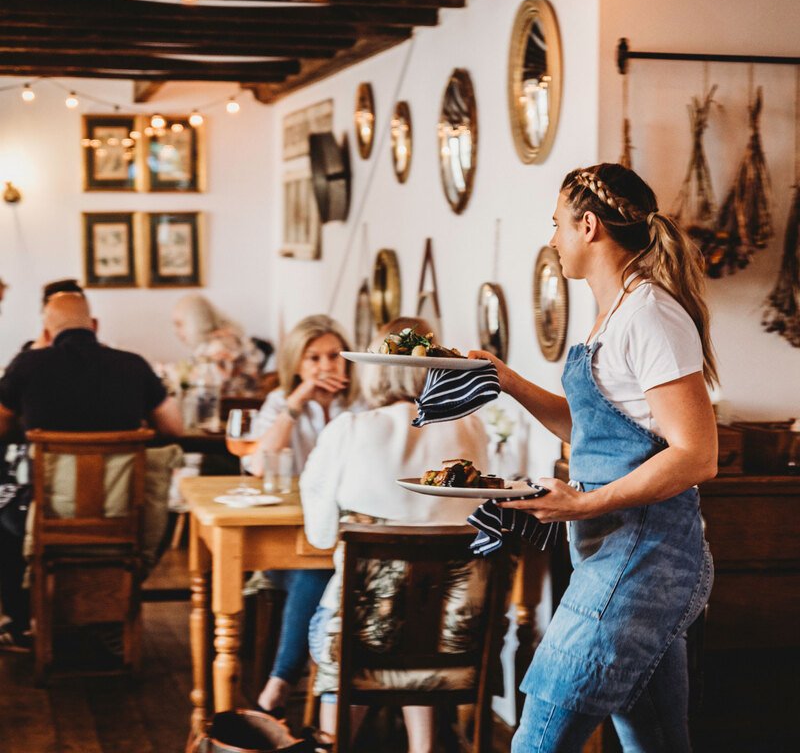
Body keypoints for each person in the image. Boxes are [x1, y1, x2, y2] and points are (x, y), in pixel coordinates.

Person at [470, 164, 717, 752]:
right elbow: (593, 428)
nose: (552, 240)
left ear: (588, 226)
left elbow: (698, 454)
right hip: (616, 553)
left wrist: (585, 503)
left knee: (538, 740)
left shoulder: (650, 314)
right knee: (655, 740)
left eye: (556, 225)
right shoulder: (616, 313)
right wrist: (506, 381)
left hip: (645, 558)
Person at [301, 318, 491, 753]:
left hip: (360, 640)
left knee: (350, 619)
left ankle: (334, 743)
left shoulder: (348, 432)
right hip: (453, 642)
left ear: (376, 367)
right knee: (418, 614)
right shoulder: (472, 430)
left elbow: (319, 536)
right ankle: (423, 748)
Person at [0, 292, 183, 649]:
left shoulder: (26, 365)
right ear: (94, 326)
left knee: (3, 508)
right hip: (124, 516)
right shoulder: (132, 365)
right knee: (165, 510)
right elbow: (174, 428)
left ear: (47, 332)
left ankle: (21, 620)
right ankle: (110, 611)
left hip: (44, 518)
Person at [250, 315, 360, 718]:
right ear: (297, 364)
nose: (325, 366)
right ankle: (281, 682)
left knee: (327, 566)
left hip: (346, 534)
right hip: (290, 539)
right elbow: (259, 465)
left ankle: (279, 688)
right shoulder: (281, 402)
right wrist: (296, 403)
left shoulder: (362, 405)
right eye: (313, 358)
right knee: (314, 567)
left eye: (333, 356)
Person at [172, 294, 268, 396]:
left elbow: (207, 387)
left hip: (232, 405)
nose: (176, 331)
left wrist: (178, 377)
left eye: (179, 324)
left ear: (195, 321)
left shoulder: (219, 346)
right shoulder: (225, 337)